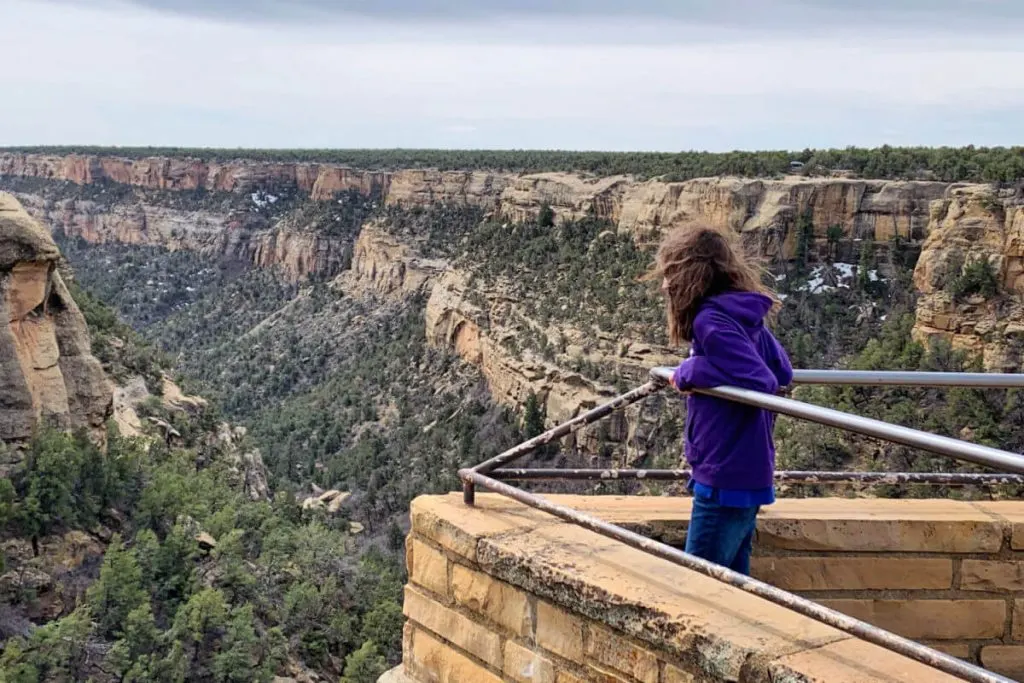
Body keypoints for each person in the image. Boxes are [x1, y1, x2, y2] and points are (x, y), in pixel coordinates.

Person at [650, 223, 793, 576]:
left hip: (724, 477)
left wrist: (690, 372)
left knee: (699, 587)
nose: (664, 286)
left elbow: (763, 381)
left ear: (689, 276)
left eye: (669, 274)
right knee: (731, 586)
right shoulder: (743, 314)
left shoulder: (710, 322)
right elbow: (783, 372)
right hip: (747, 471)